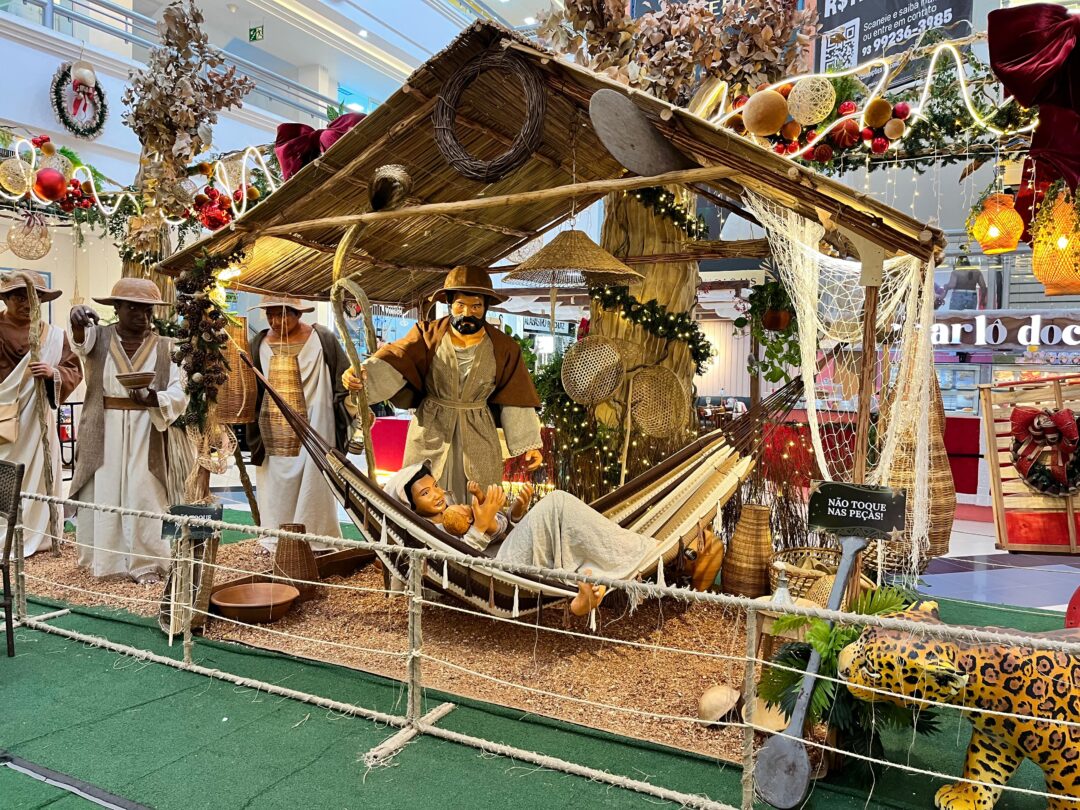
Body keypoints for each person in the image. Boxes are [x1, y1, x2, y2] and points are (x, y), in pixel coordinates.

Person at [386, 464, 725, 615]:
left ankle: (581, 597)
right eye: (425, 493)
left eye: (435, 487)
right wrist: (479, 530)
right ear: (411, 505)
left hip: (510, 559)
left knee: (567, 532)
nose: (437, 495)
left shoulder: (456, 510)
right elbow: (448, 569)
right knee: (557, 504)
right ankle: (655, 551)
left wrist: (507, 516)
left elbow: (503, 533)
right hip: (493, 574)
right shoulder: (422, 533)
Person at [344, 267, 543, 504]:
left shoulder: (504, 347)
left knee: (479, 499)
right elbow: (396, 359)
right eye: (460, 305)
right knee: (422, 492)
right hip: (431, 427)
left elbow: (515, 395)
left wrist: (528, 444)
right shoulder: (427, 335)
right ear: (449, 303)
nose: (467, 312)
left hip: (479, 433)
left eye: (476, 306)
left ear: (485, 307)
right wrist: (361, 375)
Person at [69, 278, 188, 583]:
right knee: (104, 491)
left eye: (148, 310)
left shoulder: (167, 346)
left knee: (145, 493)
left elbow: (180, 390)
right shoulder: (98, 337)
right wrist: (76, 319)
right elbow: (80, 342)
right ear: (118, 308)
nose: (142, 315)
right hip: (104, 428)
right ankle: (104, 561)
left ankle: (148, 562)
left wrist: (155, 398)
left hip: (147, 429)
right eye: (133, 308)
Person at [247, 295, 351, 552]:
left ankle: (317, 538)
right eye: (270, 315)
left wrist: (354, 405)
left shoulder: (322, 339)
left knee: (315, 480)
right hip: (273, 425)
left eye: (282, 314)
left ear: (298, 314)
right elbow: (251, 388)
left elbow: (344, 379)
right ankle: (275, 538)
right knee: (275, 482)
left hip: (317, 421)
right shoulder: (258, 343)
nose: (275, 321)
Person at [0, 271, 82, 557]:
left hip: (38, 423)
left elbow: (73, 370)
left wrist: (53, 373)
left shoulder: (54, 336)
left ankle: (39, 533)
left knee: (35, 477)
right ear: (6, 299)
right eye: (19, 297)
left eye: (34, 298)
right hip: (3, 419)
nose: (27, 303)